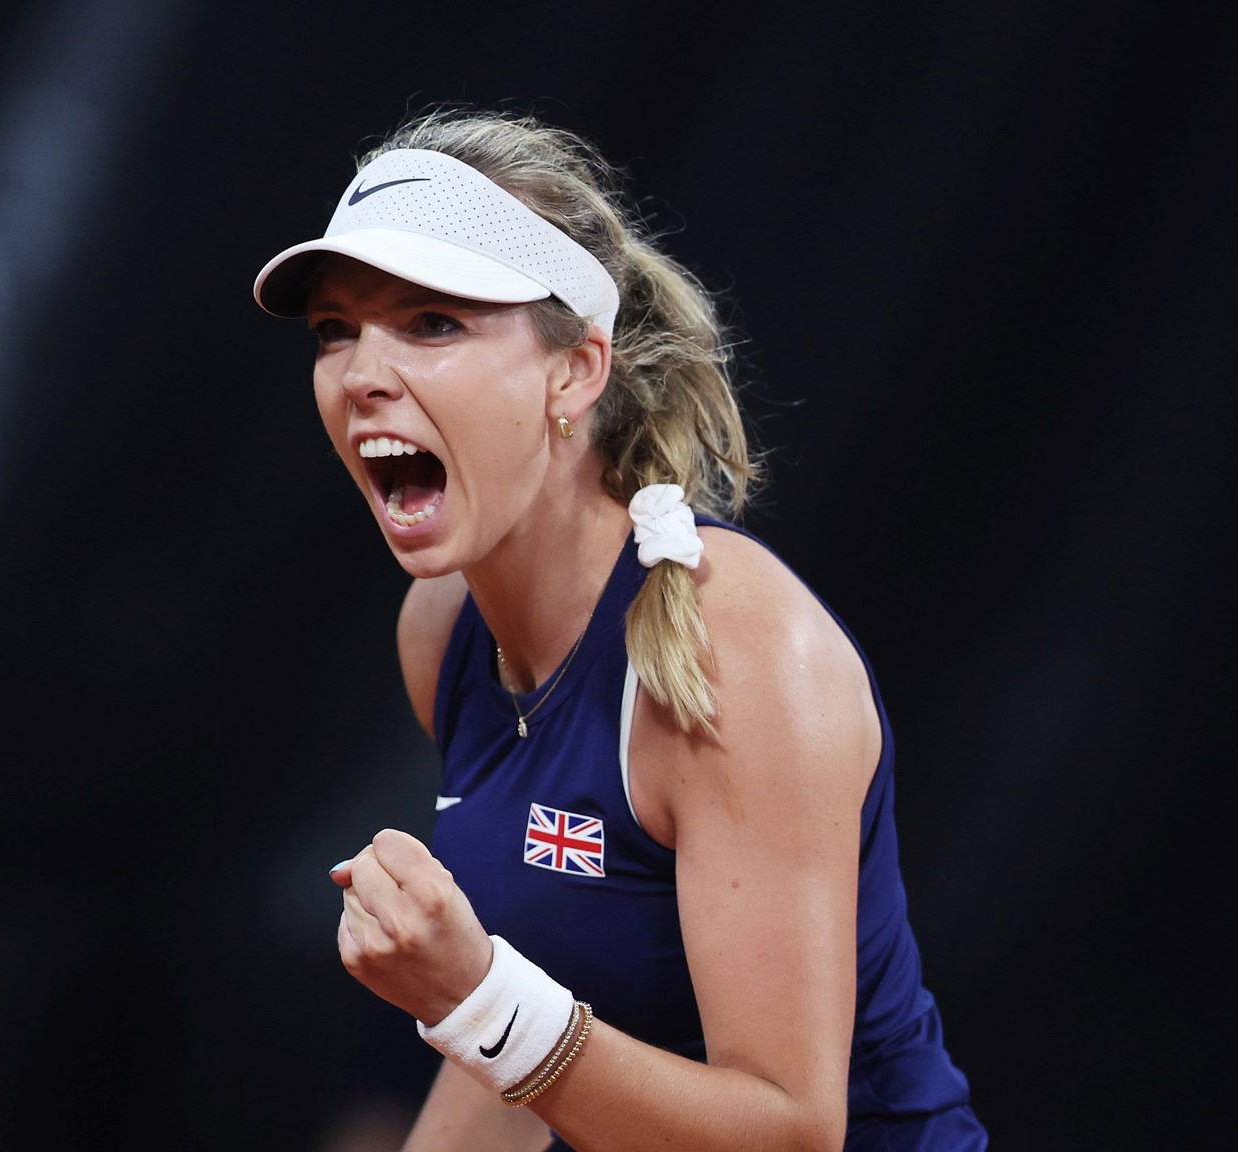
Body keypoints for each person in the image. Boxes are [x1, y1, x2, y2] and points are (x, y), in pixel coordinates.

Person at [252, 107, 987, 1151]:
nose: (362, 371)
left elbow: (790, 1132)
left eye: (431, 323)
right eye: (336, 330)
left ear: (575, 371)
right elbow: (520, 1051)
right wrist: (484, 1007)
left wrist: (476, 1000)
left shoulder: (735, 648)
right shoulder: (442, 628)